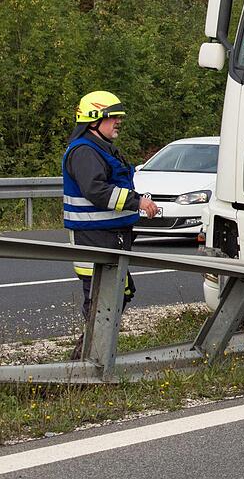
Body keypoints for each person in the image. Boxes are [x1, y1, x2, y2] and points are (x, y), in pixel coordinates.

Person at [62, 91, 158, 357]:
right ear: (94, 120)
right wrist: (135, 202)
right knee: (100, 301)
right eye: (112, 117)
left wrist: (136, 201)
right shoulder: (85, 152)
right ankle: (85, 362)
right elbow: (96, 190)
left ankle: (90, 358)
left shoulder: (102, 148)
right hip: (94, 238)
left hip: (110, 236)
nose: (118, 122)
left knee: (119, 294)